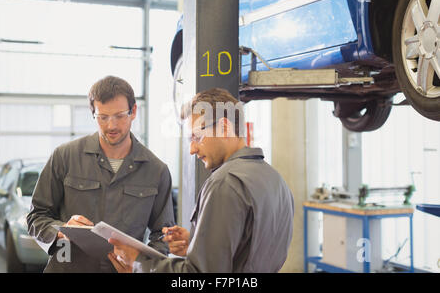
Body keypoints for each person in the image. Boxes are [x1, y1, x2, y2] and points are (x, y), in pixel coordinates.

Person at [108, 87, 294, 273]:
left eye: (197, 137)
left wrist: (138, 264)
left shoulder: (225, 182)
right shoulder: (276, 181)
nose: (192, 149)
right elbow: (248, 252)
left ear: (223, 127)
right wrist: (199, 244)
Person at [26, 75, 175, 272]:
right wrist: (61, 230)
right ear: (93, 114)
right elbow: (36, 216)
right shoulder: (65, 156)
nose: (111, 126)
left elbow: (162, 235)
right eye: (103, 117)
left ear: (134, 112)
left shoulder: (156, 170)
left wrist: (141, 267)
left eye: (120, 115)